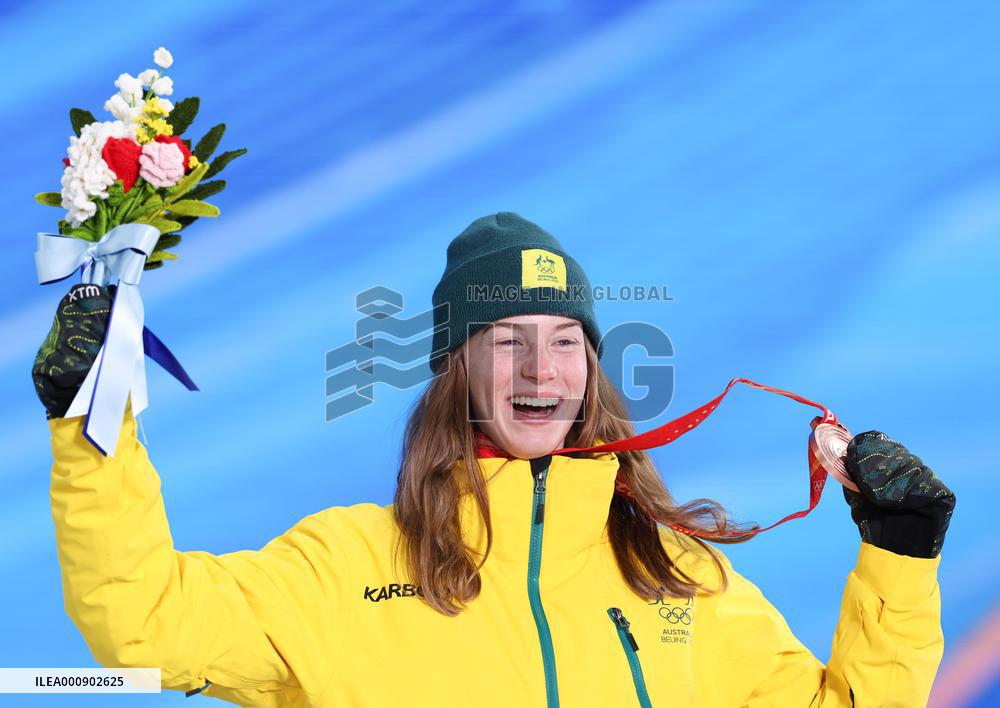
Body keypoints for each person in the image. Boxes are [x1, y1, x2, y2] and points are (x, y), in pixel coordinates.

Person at [33, 212, 955, 707]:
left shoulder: (680, 581)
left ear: (591, 366)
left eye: (564, 340)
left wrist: (901, 557)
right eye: (506, 339)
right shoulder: (342, 572)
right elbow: (146, 625)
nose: (540, 370)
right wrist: (90, 425)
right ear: (456, 367)